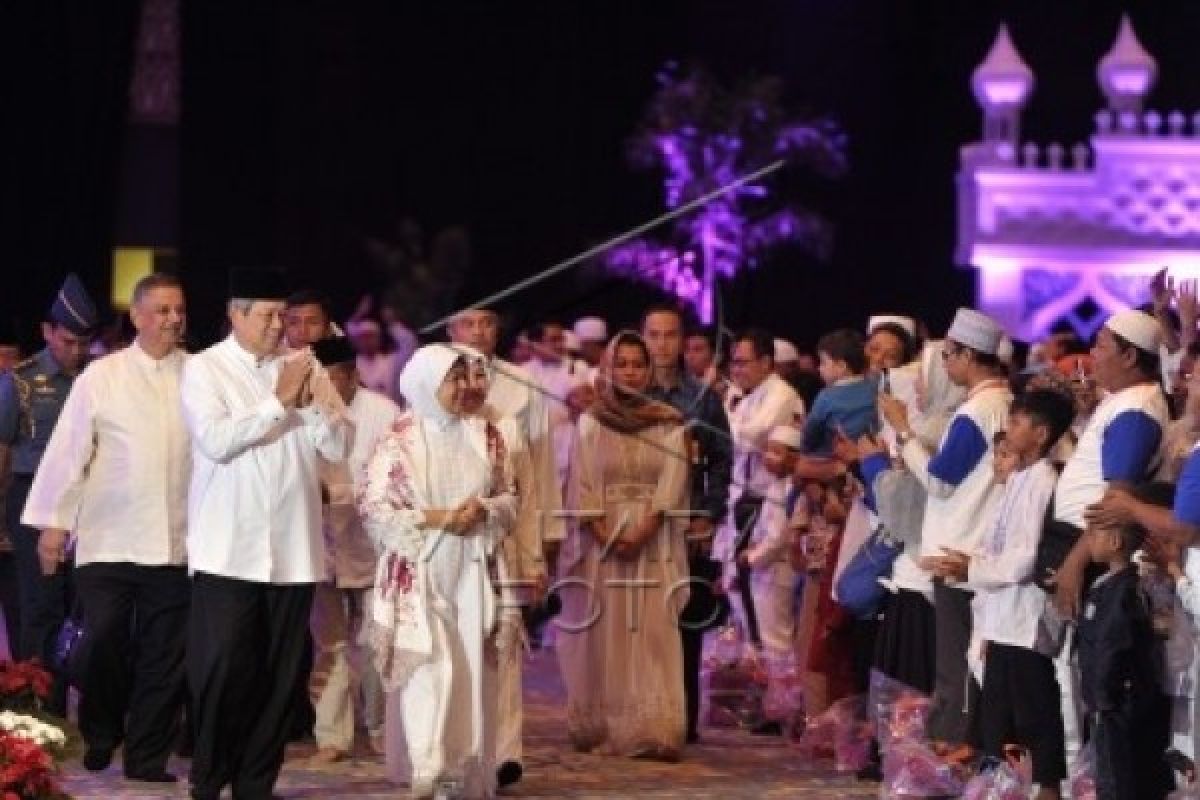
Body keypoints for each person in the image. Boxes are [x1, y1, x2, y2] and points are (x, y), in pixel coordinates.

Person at [181, 268, 350, 800]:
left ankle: (256, 784)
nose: (282, 326)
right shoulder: (204, 368)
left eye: (285, 315)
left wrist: (311, 406)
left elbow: (340, 445)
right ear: (236, 313)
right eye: (269, 315)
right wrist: (278, 401)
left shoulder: (305, 367)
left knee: (279, 680)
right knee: (224, 669)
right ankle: (209, 778)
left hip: (294, 551)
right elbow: (215, 441)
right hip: (227, 550)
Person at [21, 272, 189, 781]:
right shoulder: (104, 375)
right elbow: (70, 451)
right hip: (109, 538)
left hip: (177, 541)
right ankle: (100, 730)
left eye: (179, 310)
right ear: (136, 316)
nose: (173, 319)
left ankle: (146, 758)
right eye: (161, 310)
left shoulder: (201, 375)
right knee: (101, 644)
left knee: (164, 656)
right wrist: (53, 525)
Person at [360, 344, 517, 798]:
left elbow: (510, 498)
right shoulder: (398, 439)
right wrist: (441, 517)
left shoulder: (486, 435)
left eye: (469, 378)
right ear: (428, 383)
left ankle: (460, 771)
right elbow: (375, 508)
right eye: (455, 379)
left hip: (471, 568)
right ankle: (427, 766)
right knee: (430, 666)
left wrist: (483, 508)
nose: (466, 387)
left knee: (468, 668)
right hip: (420, 568)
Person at [879, 307, 1013, 754]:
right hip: (975, 546)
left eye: (949, 356)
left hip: (960, 549)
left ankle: (953, 755)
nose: (947, 366)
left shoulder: (977, 411)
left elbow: (938, 479)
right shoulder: (1004, 403)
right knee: (966, 659)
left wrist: (902, 432)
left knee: (956, 664)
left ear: (968, 356)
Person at [556, 331, 690, 761]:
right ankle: (607, 725)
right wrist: (607, 536)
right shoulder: (592, 421)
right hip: (604, 544)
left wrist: (645, 529)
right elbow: (583, 484)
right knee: (608, 631)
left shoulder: (668, 421)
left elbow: (673, 481)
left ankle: (653, 729)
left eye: (638, 364)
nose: (630, 372)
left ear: (649, 371)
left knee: (650, 632)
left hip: (653, 540)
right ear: (608, 369)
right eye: (623, 364)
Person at [446, 307, 564, 788]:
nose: (479, 333)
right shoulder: (432, 380)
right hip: (453, 533)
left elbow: (538, 468)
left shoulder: (521, 385)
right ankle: (460, 746)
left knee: (506, 639)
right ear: (452, 331)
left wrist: (544, 541)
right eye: (469, 324)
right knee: (458, 643)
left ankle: (505, 751)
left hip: (511, 529)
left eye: (488, 323)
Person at [966, 390, 1075, 800]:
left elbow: (1022, 560)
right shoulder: (1018, 477)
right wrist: (969, 563)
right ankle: (1004, 789)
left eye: (1016, 422)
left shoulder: (1043, 479)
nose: (1007, 429)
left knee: (1035, 712)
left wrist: (971, 568)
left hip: (1026, 616)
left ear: (1042, 433)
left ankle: (1048, 791)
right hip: (1001, 615)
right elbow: (998, 544)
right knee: (999, 715)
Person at [0, 272, 97, 711]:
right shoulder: (19, 382)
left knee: (82, 605)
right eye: (67, 342)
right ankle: (36, 707)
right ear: (47, 332)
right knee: (39, 606)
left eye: (82, 343)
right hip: (29, 501)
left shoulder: (96, 378)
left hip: (86, 503)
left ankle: (70, 702)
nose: (75, 352)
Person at [305, 336, 400, 763]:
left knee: (377, 639)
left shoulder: (383, 414)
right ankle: (332, 736)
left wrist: (349, 494)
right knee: (329, 644)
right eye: (319, 378)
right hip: (320, 546)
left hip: (374, 547)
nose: (326, 385)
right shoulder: (303, 414)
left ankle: (382, 729)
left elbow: (398, 477)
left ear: (352, 375)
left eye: (334, 377)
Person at [641, 303, 732, 744]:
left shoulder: (702, 397)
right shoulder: (626, 395)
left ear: (682, 341)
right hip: (635, 525)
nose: (661, 344)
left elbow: (721, 459)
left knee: (684, 623)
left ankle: (682, 720)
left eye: (670, 335)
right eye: (653, 335)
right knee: (636, 622)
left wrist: (709, 515)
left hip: (684, 522)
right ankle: (638, 715)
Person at [1078, 482, 1174, 800]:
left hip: (1118, 703)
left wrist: (1102, 694)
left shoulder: (1125, 591)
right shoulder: (1106, 585)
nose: (1087, 540)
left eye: (1094, 533)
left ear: (1116, 541)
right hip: (1103, 701)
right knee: (1107, 771)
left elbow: (1113, 645)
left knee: (1119, 776)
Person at [716, 328, 800, 651]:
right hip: (740, 501)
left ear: (766, 362)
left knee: (770, 614)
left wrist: (728, 419)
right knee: (737, 595)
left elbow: (750, 436)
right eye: (733, 363)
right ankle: (756, 689)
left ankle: (782, 697)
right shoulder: (741, 395)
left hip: (772, 502)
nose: (736, 370)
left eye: (743, 362)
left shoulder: (781, 394)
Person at [803, 328, 877, 455]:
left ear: (842, 366)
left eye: (823, 362)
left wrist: (804, 449)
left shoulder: (826, 397)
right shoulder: (875, 387)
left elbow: (810, 434)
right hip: (868, 453)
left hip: (833, 458)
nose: (819, 368)